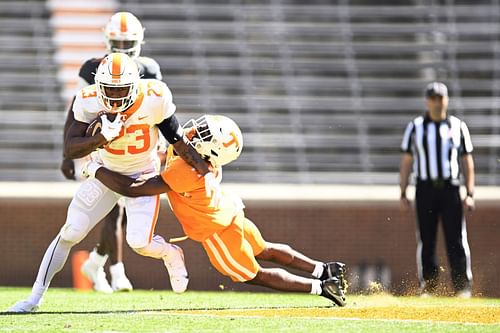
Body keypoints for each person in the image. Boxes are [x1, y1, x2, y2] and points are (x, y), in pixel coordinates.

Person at [8, 53, 221, 313]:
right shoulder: (87, 100)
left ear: (135, 84)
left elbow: (178, 141)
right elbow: (71, 147)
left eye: (121, 89)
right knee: (71, 231)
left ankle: (170, 252)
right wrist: (101, 139)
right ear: (98, 85)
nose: (115, 97)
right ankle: (34, 298)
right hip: (106, 172)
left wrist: (204, 171)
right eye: (109, 89)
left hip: (143, 173)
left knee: (140, 243)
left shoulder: (154, 98)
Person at [81, 114, 348, 307]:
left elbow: (134, 188)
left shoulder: (187, 170)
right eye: (202, 128)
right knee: (264, 249)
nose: (195, 131)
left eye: (204, 134)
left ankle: (322, 288)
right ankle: (324, 269)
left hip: (217, 232)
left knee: (254, 274)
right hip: (229, 213)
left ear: (211, 150)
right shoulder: (195, 158)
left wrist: (96, 168)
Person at [60, 12, 164, 293]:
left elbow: (160, 116)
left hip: (140, 152)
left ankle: (96, 261)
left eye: (126, 42)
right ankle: (117, 272)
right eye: (116, 42)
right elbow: (75, 116)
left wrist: (164, 148)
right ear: (107, 40)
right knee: (113, 212)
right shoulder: (94, 68)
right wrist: (67, 155)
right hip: (104, 147)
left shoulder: (149, 69)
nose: (121, 49)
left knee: (129, 211)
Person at [399, 82, 475, 298]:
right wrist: (403, 191)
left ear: (447, 99)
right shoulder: (415, 127)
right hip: (425, 188)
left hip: (450, 188)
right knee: (426, 238)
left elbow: (467, 161)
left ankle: (462, 287)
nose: (437, 102)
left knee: (456, 238)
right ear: (427, 101)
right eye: (433, 98)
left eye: (440, 97)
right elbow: (406, 161)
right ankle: (429, 287)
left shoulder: (458, 126)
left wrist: (469, 193)